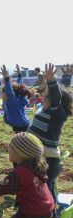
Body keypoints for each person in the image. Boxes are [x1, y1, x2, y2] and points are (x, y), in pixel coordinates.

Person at [28, 64, 73, 206]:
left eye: (46, 97)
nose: (43, 99)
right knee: (39, 186)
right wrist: (66, 77)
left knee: (44, 190)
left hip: (46, 159)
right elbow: (62, 91)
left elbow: (56, 95)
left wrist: (52, 80)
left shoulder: (57, 113)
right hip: (39, 154)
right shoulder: (47, 109)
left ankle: (49, 211)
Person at [0, 64, 33, 133]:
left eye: (2, 93)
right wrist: (19, 74)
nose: (1, 95)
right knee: (18, 140)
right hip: (20, 124)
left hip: (22, 126)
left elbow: (9, 90)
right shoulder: (17, 98)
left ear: (7, 94)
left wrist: (6, 78)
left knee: (20, 141)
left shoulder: (12, 100)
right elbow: (19, 86)